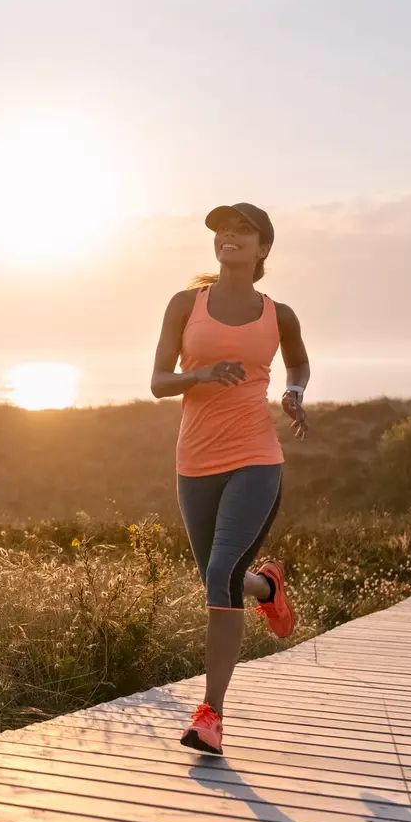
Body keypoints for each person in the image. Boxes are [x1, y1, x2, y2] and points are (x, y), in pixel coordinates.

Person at [149, 202, 311, 755]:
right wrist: (200, 374)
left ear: (263, 247)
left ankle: (211, 715)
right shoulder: (184, 304)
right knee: (218, 580)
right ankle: (267, 587)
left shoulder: (278, 314)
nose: (229, 236)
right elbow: (158, 381)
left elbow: (299, 363)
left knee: (220, 570)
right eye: (222, 230)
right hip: (194, 462)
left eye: (242, 231)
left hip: (255, 457)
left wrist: (294, 393)